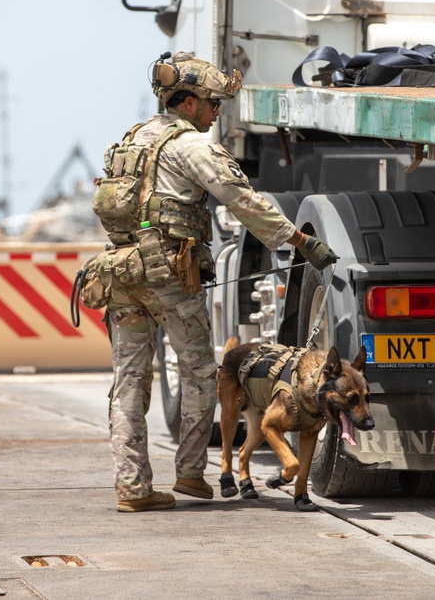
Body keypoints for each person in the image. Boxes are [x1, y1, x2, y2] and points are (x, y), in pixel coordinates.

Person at [94, 51, 338, 512]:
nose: (216, 111)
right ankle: (189, 474)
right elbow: (242, 201)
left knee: (128, 382)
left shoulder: (131, 140)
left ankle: (132, 488)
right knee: (201, 373)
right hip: (170, 276)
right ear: (187, 103)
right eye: (211, 102)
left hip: (121, 274)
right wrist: (299, 241)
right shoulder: (193, 147)